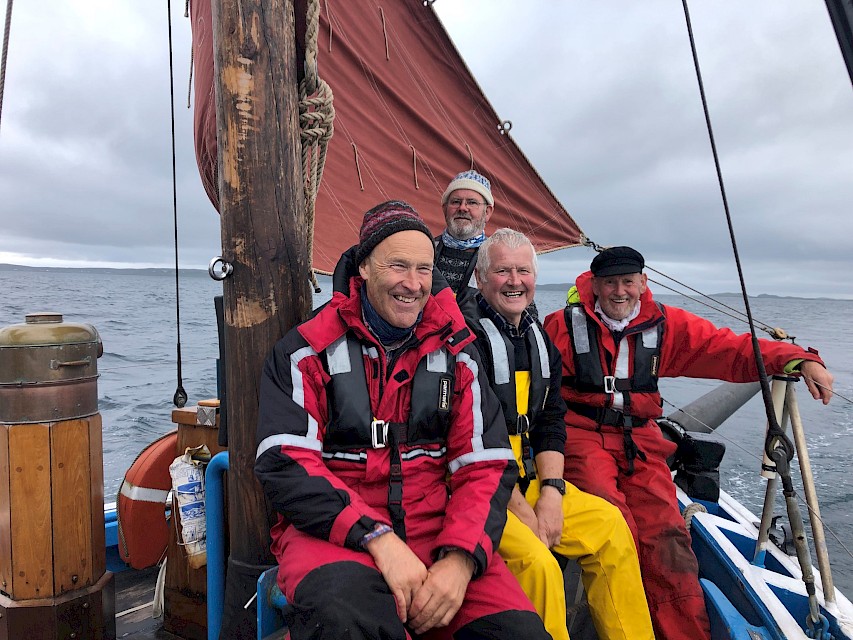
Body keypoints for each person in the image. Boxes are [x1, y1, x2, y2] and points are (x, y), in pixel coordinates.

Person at [255, 201, 550, 640]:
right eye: (397, 266)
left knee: (519, 633)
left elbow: (484, 465)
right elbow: (286, 461)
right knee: (347, 621)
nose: (412, 284)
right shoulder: (305, 352)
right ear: (365, 270)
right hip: (331, 539)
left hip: (437, 531)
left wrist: (460, 560)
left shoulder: (458, 354)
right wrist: (377, 538)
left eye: (424, 270)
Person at [542, 245, 835, 640]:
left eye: (628, 282)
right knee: (616, 527)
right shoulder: (560, 326)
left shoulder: (664, 325)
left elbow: (728, 350)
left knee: (668, 539)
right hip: (580, 436)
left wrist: (797, 358)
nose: (619, 292)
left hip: (641, 439)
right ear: (594, 285)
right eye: (609, 283)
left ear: (643, 283)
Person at [465, 229, 654, 640]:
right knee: (539, 564)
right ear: (480, 280)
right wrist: (523, 510)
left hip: (527, 480)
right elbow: (471, 439)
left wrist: (552, 492)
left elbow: (550, 419)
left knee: (610, 528)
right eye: (502, 271)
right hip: (478, 489)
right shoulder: (464, 342)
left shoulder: (539, 341)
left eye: (523, 270)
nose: (515, 281)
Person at [434, 170, 494, 299]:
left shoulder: (497, 256)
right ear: (444, 208)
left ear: (487, 212)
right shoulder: (425, 250)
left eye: (472, 202)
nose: (462, 208)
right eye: (456, 202)